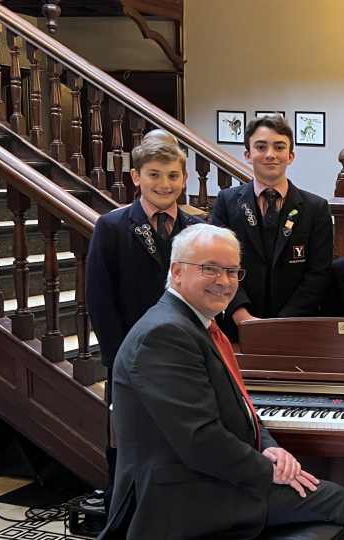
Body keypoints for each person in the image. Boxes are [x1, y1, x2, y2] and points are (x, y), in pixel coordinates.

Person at [98, 224, 344, 540]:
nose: (224, 281)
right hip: (180, 495)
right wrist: (266, 470)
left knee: (326, 493)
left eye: (232, 271)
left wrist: (271, 449)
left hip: (202, 477)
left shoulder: (190, 324)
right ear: (176, 271)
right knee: (335, 500)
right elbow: (200, 439)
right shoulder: (164, 335)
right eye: (211, 269)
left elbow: (240, 409)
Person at [86, 131, 204, 515]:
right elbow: (100, 299)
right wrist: (122, 357)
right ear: (136, 177)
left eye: (172, 176)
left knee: (180, 432)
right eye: (154, 175)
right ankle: (121, 506)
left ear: (184, 179)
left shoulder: (195, 230)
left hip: (183, 352)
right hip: (129, 355)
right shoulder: (112, 226)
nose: (164, 184)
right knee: (126, 437)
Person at [212, 115, 333, 342]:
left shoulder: (315, 208)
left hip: (296, 329)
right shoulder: (226, 203)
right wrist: (241, 315)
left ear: (290, 156)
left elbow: (318, 274)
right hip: (237, 328)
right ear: (248, 155)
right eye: (261, 147)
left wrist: (283, 323)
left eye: (279, 147)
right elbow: (217, 266)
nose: (270, 154)